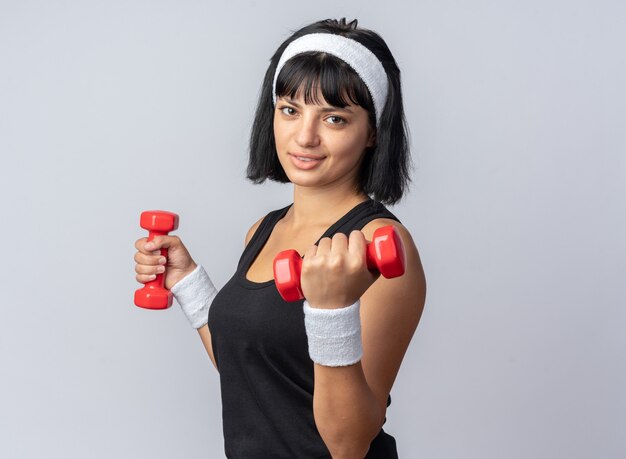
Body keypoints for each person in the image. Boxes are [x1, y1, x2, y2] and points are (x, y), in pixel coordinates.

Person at [134, 17, 426, 458]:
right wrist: (187, 282)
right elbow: (252, 367)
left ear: (372, 134)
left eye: (334, 117)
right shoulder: (264, 229)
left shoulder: (378, 245)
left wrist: (332, 310)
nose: (305, 136)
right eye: (290, 110)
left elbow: (348, 444)